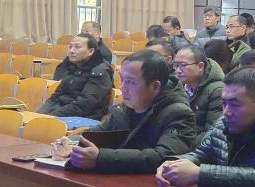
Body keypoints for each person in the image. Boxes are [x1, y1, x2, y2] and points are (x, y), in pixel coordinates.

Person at [56, 50, 197, 173]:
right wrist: (70, 143)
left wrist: (100, 158)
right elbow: (96, 133)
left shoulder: (179, 114)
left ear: (155, 86)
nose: (123, 88)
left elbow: (164, 157)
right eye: (122, 80)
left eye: (130, 82)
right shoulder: (126, 108)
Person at [38, 33, 114, 120]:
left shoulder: (100, 71)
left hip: (84, 118)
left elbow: (84, 106)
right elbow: (55, 97)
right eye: (70, 47)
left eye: (77, 47)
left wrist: (50, 117)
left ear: (90, 51)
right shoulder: (73, 66)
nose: (72, 51)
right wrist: (40, 114)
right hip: (62, 112)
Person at [174, 44, 225, 134]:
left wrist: (183, 140)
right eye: (176, 65)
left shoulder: (217, 90)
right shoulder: (179, 85)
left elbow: (212, 132)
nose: (178, 70)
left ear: (200, 66)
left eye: (183, 65)